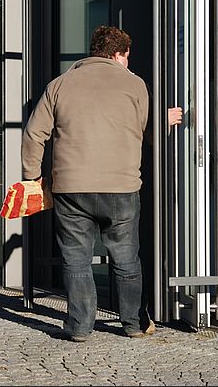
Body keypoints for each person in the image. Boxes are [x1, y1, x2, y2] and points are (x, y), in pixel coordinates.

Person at [21, 25, 182, 342]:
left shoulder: (60, 84)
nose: (128, 63)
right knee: (125, 258)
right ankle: (134, 324)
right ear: (118, 54)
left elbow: (33, 134)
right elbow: (149, 134)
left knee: (75, 259)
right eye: (127, 56)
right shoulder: (134, 84)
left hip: (70, 187)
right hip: (121, 187)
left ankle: (80, 327)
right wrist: (167, 120)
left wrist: (32, 178)